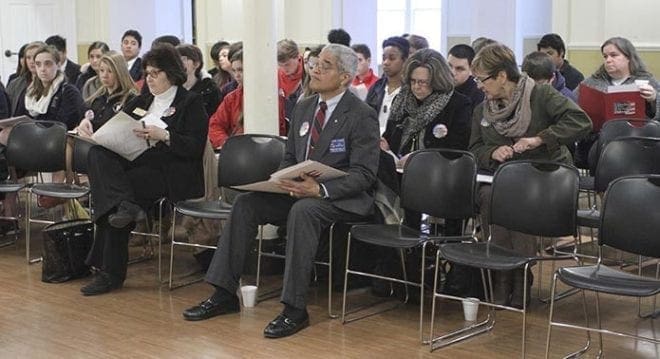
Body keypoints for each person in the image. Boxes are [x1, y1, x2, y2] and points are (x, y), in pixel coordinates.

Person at [182, 44, 380, 339]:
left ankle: (294, 308)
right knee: (247, 204)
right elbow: (290, 158)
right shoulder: (303, 106)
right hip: (299, 191)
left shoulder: (361, 114)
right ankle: (223, 292)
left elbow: (365, 175)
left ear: (344, 77)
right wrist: (283, 180)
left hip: (340, 198)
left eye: (326, 65)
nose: (315, 69)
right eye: (315, 63)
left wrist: (320, 188)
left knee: (304, 210)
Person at [469, 43, 591, 308]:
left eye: (482, 79)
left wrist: (540, 138)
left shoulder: (541, 95)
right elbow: (474, 149)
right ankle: (503, 275)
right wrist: (492, 152)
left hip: (545, 177)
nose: (479, 85)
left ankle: (521, 274)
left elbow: (581, 122)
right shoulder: (483, 110)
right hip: (505, 177)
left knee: (518, 198)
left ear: (502, 76)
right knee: (491, 195)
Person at [81, 44, 208, 296]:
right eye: (146, 73)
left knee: (113, 199)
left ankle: (109, 273)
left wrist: (165, 135)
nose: (148, 79)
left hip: (172, 170)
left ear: (170, 73)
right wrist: (90, 125)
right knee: (97, 154)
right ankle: (126, 207)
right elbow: (116, 125)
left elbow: (195, 147)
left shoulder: (190, 102)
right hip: (138, 164)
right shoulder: (144, 99)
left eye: (154, 73)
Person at [381, 48, 471, 230]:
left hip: (439, 173)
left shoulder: (457, 103)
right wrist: (384, 144)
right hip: (399, 172)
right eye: (413, 81)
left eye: (423, 82)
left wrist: (418, 157)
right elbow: (390, 135)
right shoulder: (403, 99)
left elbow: (457, 148)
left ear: (437, 81)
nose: (416, 87)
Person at [574, 36, 660, 170]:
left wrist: (654, 98)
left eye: (614, 55)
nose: (608, 60)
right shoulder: (591, 82)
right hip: (597, 140)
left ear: (629, 58)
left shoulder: (647, 81)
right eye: (605, 56)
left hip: (635, 140)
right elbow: (571, 105)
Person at [74, 51, 138, 136]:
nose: (104, 75)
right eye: (102, 70)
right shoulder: (97, 98)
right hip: (91, 142)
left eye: (110, 71)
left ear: (120, 72)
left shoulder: (131, 99)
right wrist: (84, 123)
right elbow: (88, 118)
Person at [24, 45, 84, 130]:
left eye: (48, 64)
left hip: (58, 138)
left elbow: (64, 123)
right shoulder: (32, 91)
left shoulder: (68, 91)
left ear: (58, 65)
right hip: (36, 135)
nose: (42, 69)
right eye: (38, 64)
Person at [366, 36, 409, 134]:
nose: (386, 62)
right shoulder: (376, 87)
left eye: (392, 58)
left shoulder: (410, 90)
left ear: (405, 60)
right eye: (384, 58)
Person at [208, 50, 244, 149]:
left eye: (241, 70)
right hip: (235, 150)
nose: (237, 75)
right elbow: (215, 125)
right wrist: (226, 144)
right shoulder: (231, 98)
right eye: (234, 70)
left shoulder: (272, 96)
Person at [176, 44, 220, 116]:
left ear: (196, 64)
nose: (177, 64)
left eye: (182, 59)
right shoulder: (171, 87)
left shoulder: (210, 89)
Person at [6, 41, 44, 117]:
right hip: (16, 126)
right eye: (28, 58)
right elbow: (7, 109)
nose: (31, 61)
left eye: (35, 57)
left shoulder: (51, 83)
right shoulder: (15, 83)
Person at [448, 44, 485, 113]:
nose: (452, 72)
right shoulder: (439, 88)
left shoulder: (478, 94)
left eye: (459, 69)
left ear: (471, 69)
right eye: (449, 66)